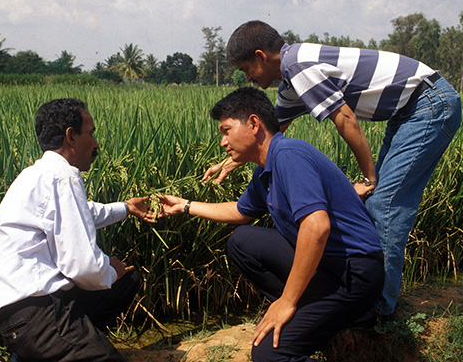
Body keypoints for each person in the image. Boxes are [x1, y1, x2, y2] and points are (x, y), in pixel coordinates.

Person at [203, 20, 462, 318]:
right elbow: (268, 132)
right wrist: (227, 163)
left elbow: (345, 120)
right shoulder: (291, 80)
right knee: (379, 202)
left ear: (262, 56)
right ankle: (368, 299)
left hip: (428, 104)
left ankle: (378, 310)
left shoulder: (299, 66)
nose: (248, 77)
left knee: (385, 204)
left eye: (247, 68)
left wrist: (369, 178)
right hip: (407, 109)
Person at [159, 87, 384, 361]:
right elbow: (240, 211)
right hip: (326, 265)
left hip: (354, 271)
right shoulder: (265, 169)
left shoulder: (289, 155)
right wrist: (185, 206)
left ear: (254, 124)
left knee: (268, 355)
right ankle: (312, 310)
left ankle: (328, 309)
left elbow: (317, 227)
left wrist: (286, 302)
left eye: (226, 130)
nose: (222, 142)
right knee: (242, 241)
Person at [0, 98, 156, 362]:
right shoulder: (63, 176)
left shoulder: (39, 174)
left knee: (126, 283)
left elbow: (84, 213)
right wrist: (109, 271)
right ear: (71, 136)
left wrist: (127, 208)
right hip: (36, 314)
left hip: (18, 314)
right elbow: (81, 266)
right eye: (91, 133)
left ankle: (56, 347)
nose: (95, 144)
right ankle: (61, 346)